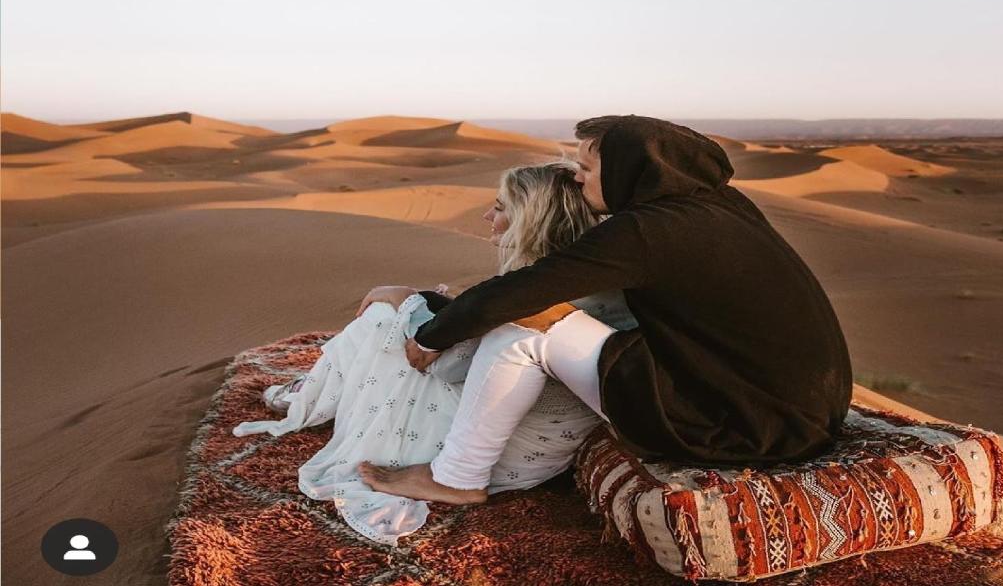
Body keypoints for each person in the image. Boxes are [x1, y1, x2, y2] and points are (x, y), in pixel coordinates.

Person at [358, 114, 853, 505]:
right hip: (798, 413)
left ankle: (456, 477)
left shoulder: (647, 229)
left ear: (627, 170)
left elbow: (526, 292)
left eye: (589, 169)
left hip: (736, 426)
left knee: (526, 330)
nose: (578, 178)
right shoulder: (719, 205)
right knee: (542, 317)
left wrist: (430, 335)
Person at [232, 161, 637, 544]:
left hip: (498, 454)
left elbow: (448, 365)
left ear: (531, 221)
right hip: (540, 445)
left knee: (383, 321)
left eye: (499, 208)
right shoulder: (596, 280)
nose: (486, 217)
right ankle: (316, 392)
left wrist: (407, 301)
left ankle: (313, 396)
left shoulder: (537, 296)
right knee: (401, 312)